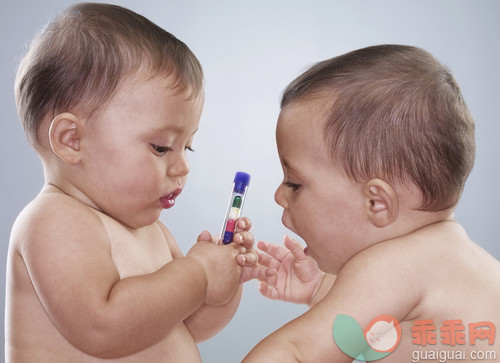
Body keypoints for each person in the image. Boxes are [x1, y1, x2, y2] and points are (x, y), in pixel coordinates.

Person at [6, 3, 257, 361]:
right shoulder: (52, 222)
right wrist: (198, 274)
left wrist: (221, 287)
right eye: (161, 147)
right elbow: (102, 328)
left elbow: (186, 327)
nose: (182, 166)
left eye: (187, 147)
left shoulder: (154, 232)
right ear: (72, 140)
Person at [244, 44, 500, 362]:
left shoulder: (393, 266)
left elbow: (297, 352)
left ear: (376, 203)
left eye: (295, 183)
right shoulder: (451, 259)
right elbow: (379, 328)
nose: (279, 195)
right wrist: (320, 292)